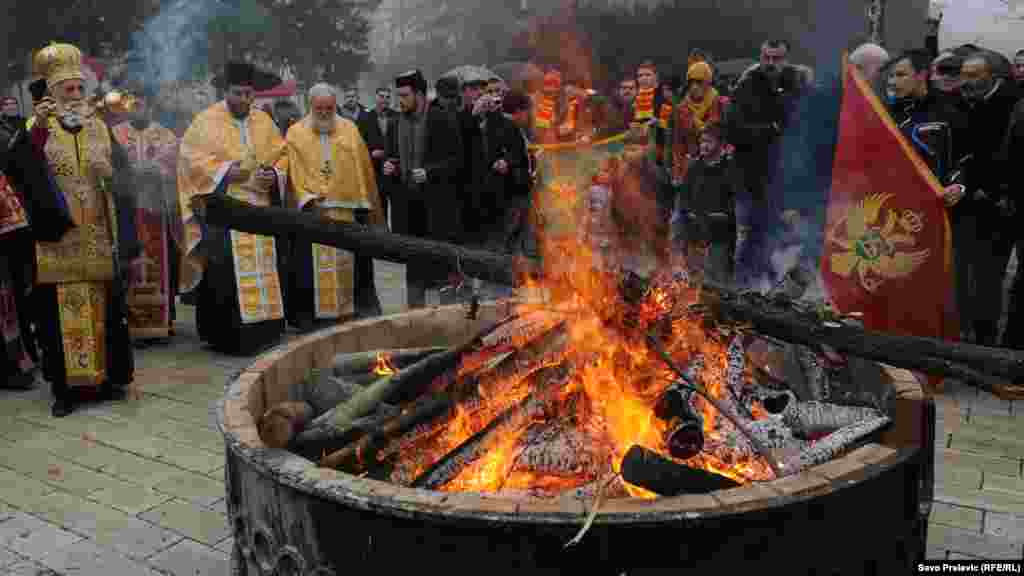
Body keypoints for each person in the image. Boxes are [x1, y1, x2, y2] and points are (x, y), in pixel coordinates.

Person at [30, 43, 133, 416]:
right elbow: (23, 170)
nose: (74, 96)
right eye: (66, 90)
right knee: (58, 314)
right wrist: (39, 130)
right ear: (51, 93)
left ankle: (106, 380)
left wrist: (107, 172)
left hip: (95, 231)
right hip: (58, 235)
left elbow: (119, 178)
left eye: (78, 89)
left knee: (104, 305)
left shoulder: (98, 127)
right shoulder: (37, 128)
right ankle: (64, 390)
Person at [177, 61, 287, 356]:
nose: (244, 100)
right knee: (225, 274)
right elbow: (190, 160)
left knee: (263, 269)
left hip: (259, 209)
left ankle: (265, 332)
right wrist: (225, 171)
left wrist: (274, 175)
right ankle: (225, 335)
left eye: (249, 94)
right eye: (238, 93)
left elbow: (282, 156)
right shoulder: (205, 121)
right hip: (224, 211)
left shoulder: (264, 121)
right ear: (226, 91)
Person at [282, 84, 385, 328]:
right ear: (310, 106)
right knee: (310, 267)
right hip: (313, 213)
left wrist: (362, 201)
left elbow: (362, 168)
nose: (325, 113)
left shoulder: (349, 129)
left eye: (329, 108)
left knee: (352, 264)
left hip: (348, 212)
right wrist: (307, 198)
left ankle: (354, 310)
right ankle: (311, 317)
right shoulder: (295, 133)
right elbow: (292, 170)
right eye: (320, 109)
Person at [885, 50, 971, 340]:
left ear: (921, 75)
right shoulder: (886, 112)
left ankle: (939, 349)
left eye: (900, 74)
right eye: (891, 75)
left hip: (941, 217)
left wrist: (958, 186)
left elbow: (967, 158)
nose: (893, 81)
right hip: (894, 218)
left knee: (939, 288)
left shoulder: (951, 110)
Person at [727, 39, 809, 284]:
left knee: (787, 243)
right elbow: (732, 130)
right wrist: (769, 130)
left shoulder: (800, 87)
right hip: (750, 177)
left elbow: (808, 129)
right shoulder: (746, 87)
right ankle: (742, 292)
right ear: (761, 58)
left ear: (787, 59)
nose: (771, 63)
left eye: (777, 58)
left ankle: (780, 296)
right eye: (767, 58)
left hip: (788, 182)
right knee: (749, 241)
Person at [383, 70, 463, 309]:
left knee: (443, 267)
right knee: (414, 268)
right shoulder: (395, 122)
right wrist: (389, 165)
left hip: (437, 210)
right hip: (408, 210)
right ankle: (413, 321)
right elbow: (391, 157)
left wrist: (429, 173)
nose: (400, 101)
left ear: (419, 94)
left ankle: (449, 317)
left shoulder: (441, 118)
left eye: (405, 96)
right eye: (399, 96)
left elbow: (457, 161)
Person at [957, 50, 1020, 346]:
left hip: (999, 205)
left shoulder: (1010, 105)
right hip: (973, 201)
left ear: (993, 77)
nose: (964, 81)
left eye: (973, 76)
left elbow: (1007, 154)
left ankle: (987, 340)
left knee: (988, 276)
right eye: (963, 75)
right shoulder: (968, 103)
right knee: (974, 275)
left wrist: (993, 191)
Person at [110, 84, 180, 343]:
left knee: (161, 265)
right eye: (133, 104)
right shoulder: (114, 134)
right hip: (125, 211)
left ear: (150, 107)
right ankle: (129, 322)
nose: (137, 108)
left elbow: (173, 167)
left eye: (142, 104)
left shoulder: (166, 136)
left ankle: (162, 320)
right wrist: (130, 173)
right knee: (127, 265)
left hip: (156, 212)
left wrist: (152, 170)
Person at [670, 123, 742, 284]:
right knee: (693, 284)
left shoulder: (729, 168)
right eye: (702, 141)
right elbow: (684, 198)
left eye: (709, 141)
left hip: (720, 237)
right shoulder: (694, 168)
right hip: (695, 236)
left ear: (721, 144)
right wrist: (688, 216)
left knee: (718, 284)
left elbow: (733, 203)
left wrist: (717, 216)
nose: (704, 145)